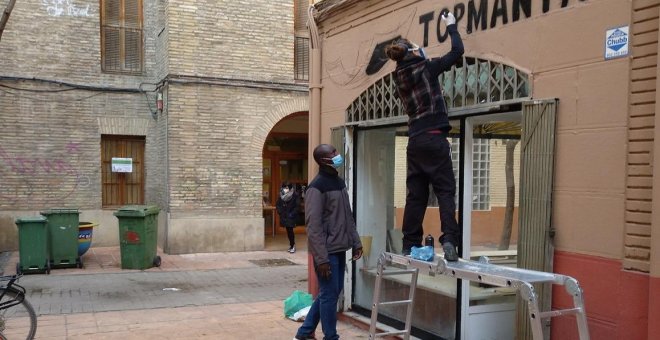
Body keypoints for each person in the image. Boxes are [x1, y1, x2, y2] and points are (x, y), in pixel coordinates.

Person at [384, 11, 463, 261]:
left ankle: (409, 245)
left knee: (415, 196)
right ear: (412, 52)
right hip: (434, 137)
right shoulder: (427, 68)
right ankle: (449, 239)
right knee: (445, 191)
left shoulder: (398, 77)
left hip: (415, 140)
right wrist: (451, 26)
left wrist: (419, 55)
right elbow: (457, 52)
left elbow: (413, 68)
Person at [294, 144, 363, 340]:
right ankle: (330, 336)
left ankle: (305, 332)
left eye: (336, 152)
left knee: (331, 292)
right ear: (323, 160)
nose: (337, 155)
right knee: (329, 294)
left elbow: (347, 216)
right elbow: (313, 227)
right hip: (325, 252)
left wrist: (356, 242)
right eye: (333, 153)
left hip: (339, 248)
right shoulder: (316, 187)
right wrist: (321, 259)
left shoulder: (339, 183)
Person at [276, 181, 300, 253]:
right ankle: (291, 245)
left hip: (291, 216)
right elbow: (278, 204)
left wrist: (292, 214)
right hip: (284, 215)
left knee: (290, 231)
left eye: (287, 188)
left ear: (290, 188)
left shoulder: (294, 195)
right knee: (288, 231)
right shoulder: (281, 195)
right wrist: (280, 212)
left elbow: (297, 206)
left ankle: (292, 245)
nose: (285, 189)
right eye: (284, 187)